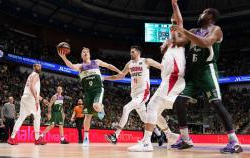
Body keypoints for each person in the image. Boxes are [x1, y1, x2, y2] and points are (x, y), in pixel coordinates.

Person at [170, 7, 243, 153]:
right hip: (192, 74)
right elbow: (178, 42)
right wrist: (174, 27)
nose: (199, 15)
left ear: (209, 16)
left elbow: (206, 43)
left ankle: (234, 142)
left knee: (216, 102)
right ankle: (185, 139)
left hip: (206, 71)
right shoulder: (194, 31)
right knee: (179, 101)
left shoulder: (216, 29)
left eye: (202, 12)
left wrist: (183, 31)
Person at [128, 0, 186, 151]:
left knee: (152, 106)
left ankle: (147, 143)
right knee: (154, 112)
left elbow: (179, 21)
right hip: (169, 79)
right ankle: (170, 135)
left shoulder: (176, 39)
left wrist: (174, 4)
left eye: (165, 42)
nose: (163, 44)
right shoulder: (169, 48)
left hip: (174, 78)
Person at [58, 47, 122, 147]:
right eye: (83, 52)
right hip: (88, 93)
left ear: (90, 54)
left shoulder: (96, 62)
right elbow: (70, 65)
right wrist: (64, 58)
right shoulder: (80, 66)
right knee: (87, 116)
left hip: (98, 90)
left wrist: (119, 71)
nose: (85, 53)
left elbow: (109, 65)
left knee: (96, 105)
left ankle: (101, 108)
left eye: (87, 52)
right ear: (81, 55)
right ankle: (86, 138)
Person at [104, 45, 163, 145]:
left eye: (133, 52)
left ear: (138, 52)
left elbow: (161, 66)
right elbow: (121, 76)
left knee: (126, 108)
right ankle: (159, 134)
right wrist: (105, 78)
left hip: (143, 92)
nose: (130, 53)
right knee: (144, 118)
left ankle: (115, 136)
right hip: (134, 93)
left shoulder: (146, 61)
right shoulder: (129, 64)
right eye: (130, 52)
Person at [7, 64, 48, 145]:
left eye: (40, 66)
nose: (39, 67)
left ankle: (12, 138)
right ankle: (37, 139)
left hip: (25, 97)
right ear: (33, 68)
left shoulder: (30, 75)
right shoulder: (36, 75)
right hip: (31, 99)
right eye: (37, 66)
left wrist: (42, 99)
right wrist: (36, 98)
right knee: (37, 116)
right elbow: (32, 87)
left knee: (21, 118)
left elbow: (32, 90)